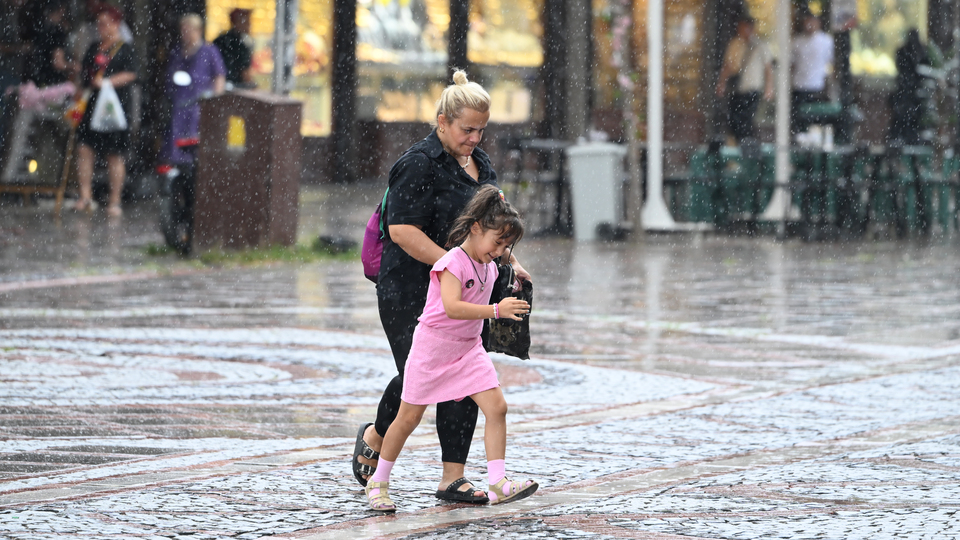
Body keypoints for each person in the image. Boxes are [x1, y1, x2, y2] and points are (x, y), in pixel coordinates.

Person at [353, 69, 532, 505]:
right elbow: (402, 232)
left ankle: (453, 477)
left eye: (481, 130)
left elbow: (493, 227)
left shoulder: (482, 165)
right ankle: (378, 434)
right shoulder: (417, 164)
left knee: (466, 375)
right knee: (417, 377)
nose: (474, 138)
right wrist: (455, 267)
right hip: (408, 289)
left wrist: (512, 262)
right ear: (442, 122)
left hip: (466, 289)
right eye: (466, 129)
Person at [364, 185, 538, 512]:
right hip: (432, 349)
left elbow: (484, 293)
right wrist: (497, 310)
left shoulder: (488, 265)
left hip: (469, 349)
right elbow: (453, 307)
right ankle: (379, 481)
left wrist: (513, 278)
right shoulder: (452, 262)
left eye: (505, 245)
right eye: (497, 242)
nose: (500, 251)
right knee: (407, 418)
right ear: (475, 228)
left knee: (497, 407)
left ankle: (498, 483)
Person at [73, 5, 137, 216]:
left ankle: (115, 200)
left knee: (114, 154)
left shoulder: (126, 49)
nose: (101, 27)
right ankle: (85, 196)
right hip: (91, 104)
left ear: (115, 24)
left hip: (113, 106)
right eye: (98, 23)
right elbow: (84, 74)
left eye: (105, 23)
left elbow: (132, 74)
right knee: (84, 149)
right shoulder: (94, 47)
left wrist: (108, 83)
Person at [163, 13, 226, 167]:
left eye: (188, 30)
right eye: (183, 30)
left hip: (200, 106)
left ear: (198, 30)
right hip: (180, 104)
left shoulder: (209, 51)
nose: (184, 33)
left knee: (198, 144)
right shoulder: (178, 51)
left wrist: (216, 101)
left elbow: (219, 75)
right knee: (177, 143)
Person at [716, 15, 774, 144]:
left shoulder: (759, 45)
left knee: (747, 120)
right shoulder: (735, 44)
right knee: (734, 120)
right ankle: (737, 146)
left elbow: (768, 68)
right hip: (737, 88)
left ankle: (748, 147)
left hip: (752, 88)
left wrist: (769, 88)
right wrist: (722, 83)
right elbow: (728, 65)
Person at [790, 11, 834, 134]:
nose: (810, 25)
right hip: (799, 86)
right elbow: (792, 65)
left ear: (818, 23)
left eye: (812, 22)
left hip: (817, 87)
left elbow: (832, 63)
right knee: (799, 120)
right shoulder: (797, 42)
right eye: (807, 22)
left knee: (816, 121)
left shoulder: (826, 41)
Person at [888, 29, 931, 145]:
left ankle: (904, 140)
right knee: (904, 121)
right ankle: (901, 140)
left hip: (911, 95)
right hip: (907, 94)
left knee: (908, 122)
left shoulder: (917, 52)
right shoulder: (909, 52)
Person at [213, 8, 254, 88]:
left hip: (218, 87)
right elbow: (245, 73)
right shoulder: (241, 44)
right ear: (237, 22)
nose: (249, 24)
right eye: (247, 21)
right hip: (236, 89)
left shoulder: (219, 40)